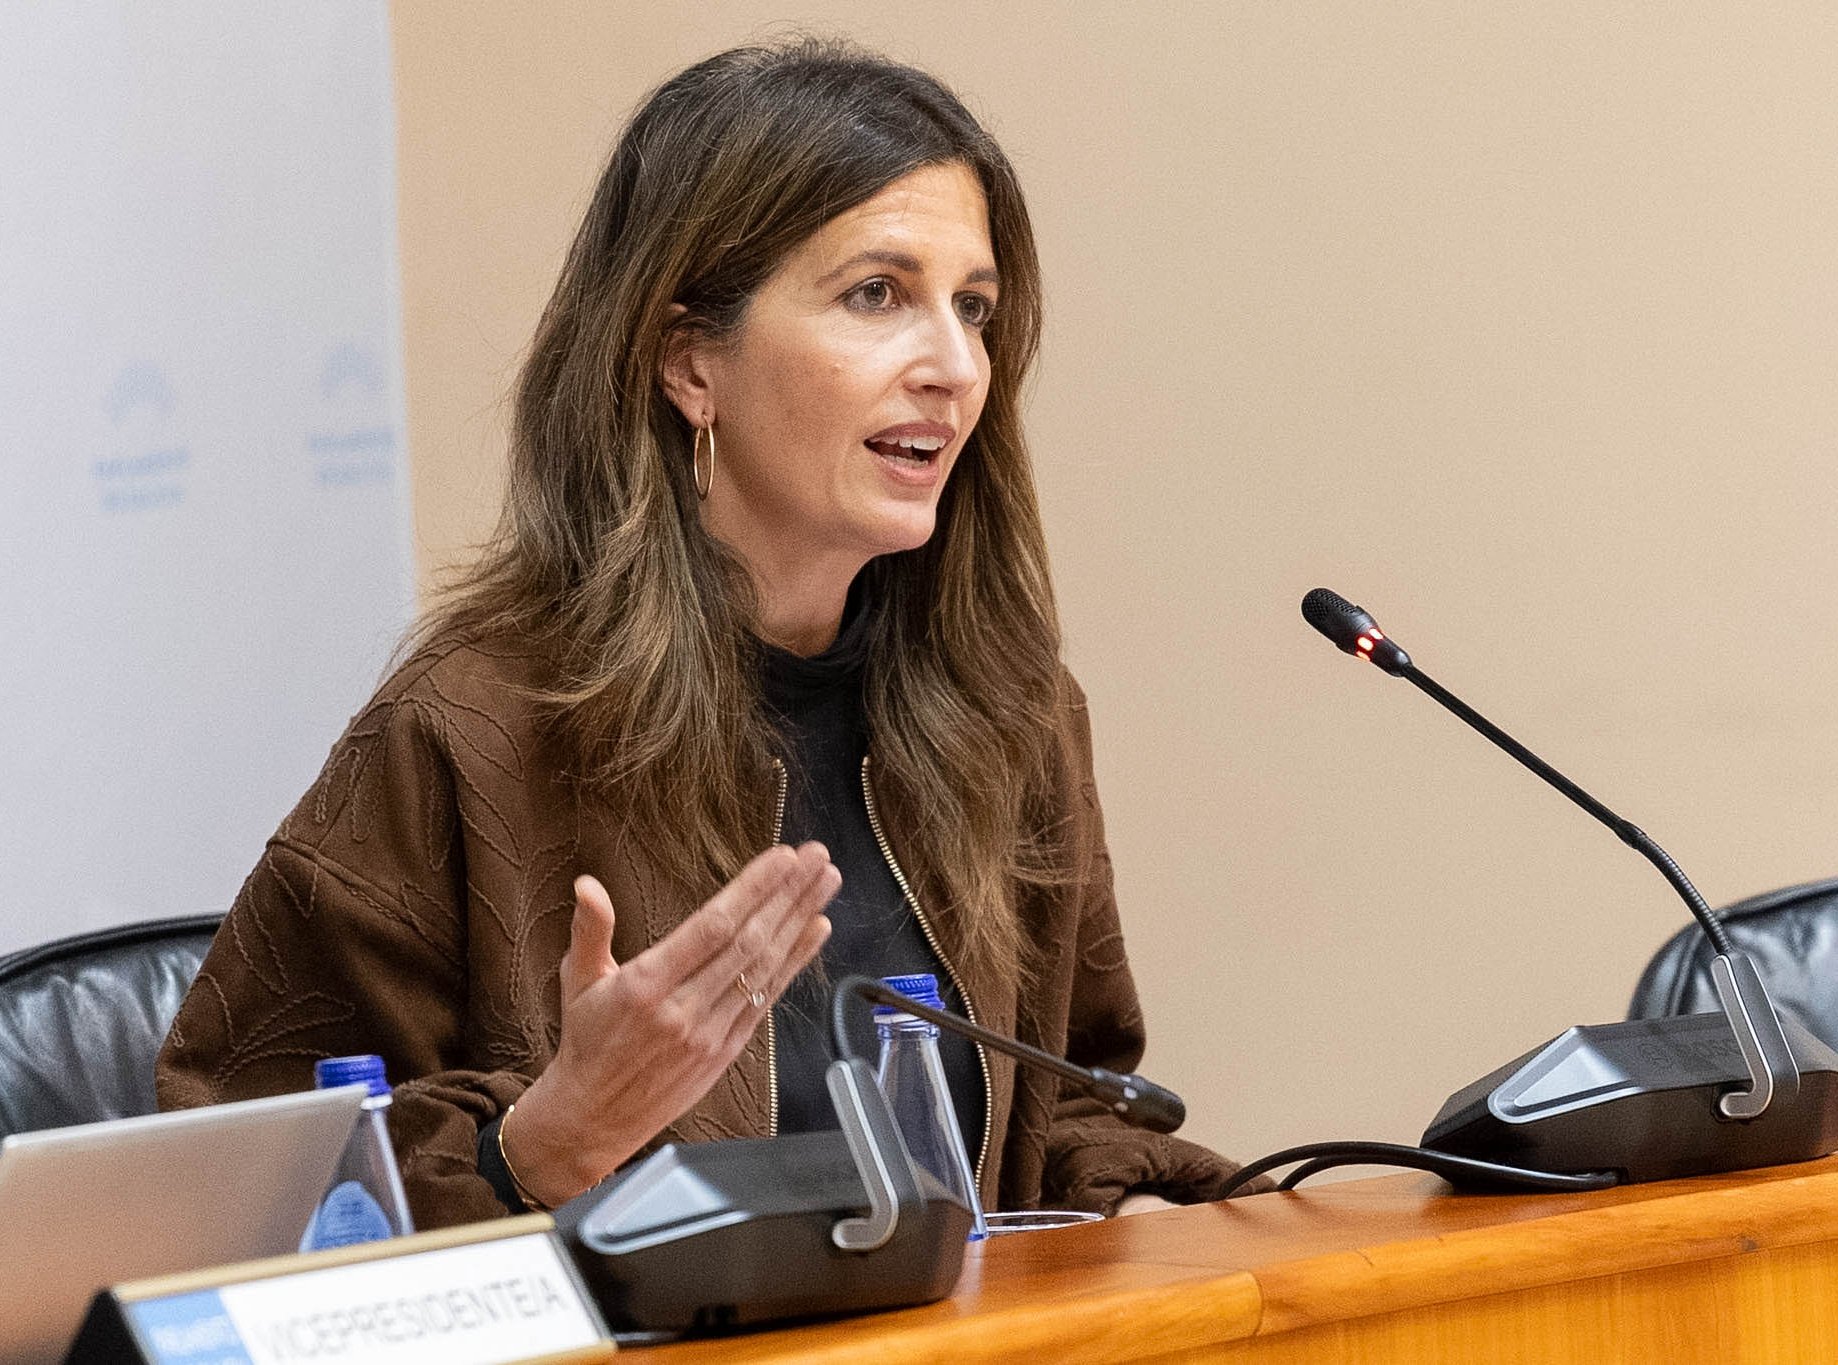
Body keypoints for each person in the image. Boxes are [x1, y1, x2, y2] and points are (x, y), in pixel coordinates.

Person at [156, 38, 1236, 1226]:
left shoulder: (1010, 711)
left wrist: (1161, 1222)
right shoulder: (471, 729)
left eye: (971, 308)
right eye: (877, 294)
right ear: (687, 364)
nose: (954, 366)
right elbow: (247, 1201)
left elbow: (1071, 1110)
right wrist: (540, 1148)